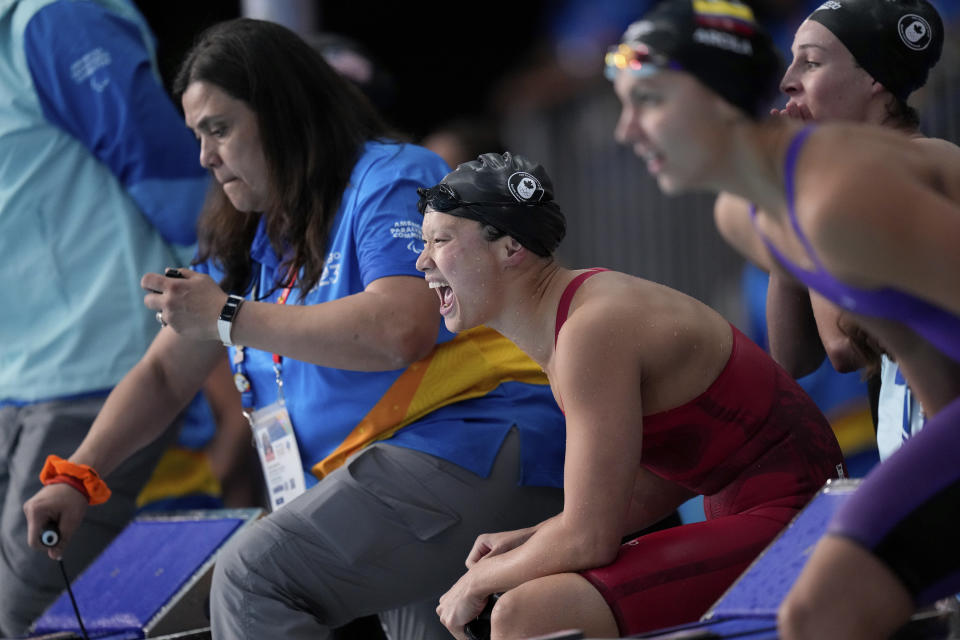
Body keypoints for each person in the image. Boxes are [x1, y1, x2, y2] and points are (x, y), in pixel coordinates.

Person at [22, 18, 567, 640]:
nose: (205, 156)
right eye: (198, 136)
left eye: (219, 129)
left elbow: (401, 327)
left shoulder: (391, 176)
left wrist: (229, 315)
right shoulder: (247, 238)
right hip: (398, 475)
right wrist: (78, 474)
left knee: (251, 575)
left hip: (478, 444)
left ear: (281, 113)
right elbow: (164, 374)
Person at [604, 1, 960, 638]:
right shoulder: (745, 216)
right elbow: (909, 342)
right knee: (805, 614)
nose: (626, 131)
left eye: (650, 102)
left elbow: (860, 346)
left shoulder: (841, 199)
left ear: (716, 98)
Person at [418, 152, 845, 639]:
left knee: (528, 612)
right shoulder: (574, 314)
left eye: (441, 241)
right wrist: (533, 538)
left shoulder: (589, 331)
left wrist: (475, 582)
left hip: (800, 523)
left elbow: (590, 539)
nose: (422, 259)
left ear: (510, 247)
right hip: (770, 510)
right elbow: (655, 483)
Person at [0, 0, 209, 634]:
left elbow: (175, 172)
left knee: (31, 621)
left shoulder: (54, 16)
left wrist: (222, 306)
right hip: (17, 381)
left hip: (101, 368)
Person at [714, 0, 951, 463]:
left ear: (873, 79)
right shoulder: (849, 178)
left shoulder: (923, 167)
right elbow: (795, 357)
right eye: (792, 59)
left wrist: (798, 180)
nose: (788, 80)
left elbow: (844, 341)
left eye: (813, 61)